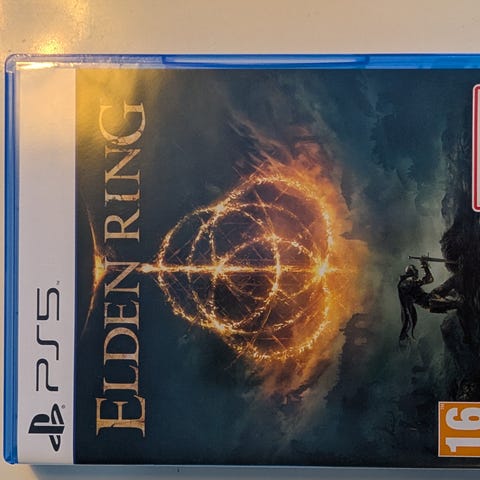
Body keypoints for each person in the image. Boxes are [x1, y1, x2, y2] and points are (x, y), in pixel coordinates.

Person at [397, 261, 433, 342]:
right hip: (428, 302)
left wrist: (425, 267)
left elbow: (429, 279)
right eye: (415, 271)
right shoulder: (407, 282)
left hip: (428, 300)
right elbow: (428, 279)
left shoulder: (406, 283)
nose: (417, 273)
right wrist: (425, 267)